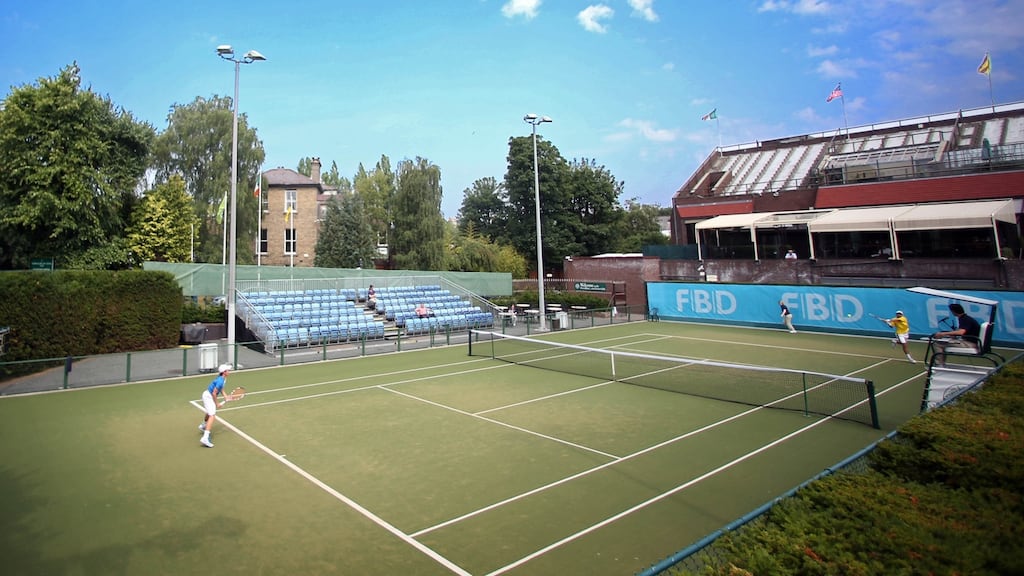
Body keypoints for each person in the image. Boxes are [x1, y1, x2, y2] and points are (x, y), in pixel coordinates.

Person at [198, 363, 232, 448]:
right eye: (228, 370)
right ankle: (205, 437)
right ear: (224, 372)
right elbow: (214, 393)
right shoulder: (221, 380)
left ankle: (203, 426)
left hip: (207, 395)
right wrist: (217, 404)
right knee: (212, 415)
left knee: (209, 412)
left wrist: (226, 397)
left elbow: (221, 389)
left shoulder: (223, 379)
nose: (229, 371)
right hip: (209, 396)